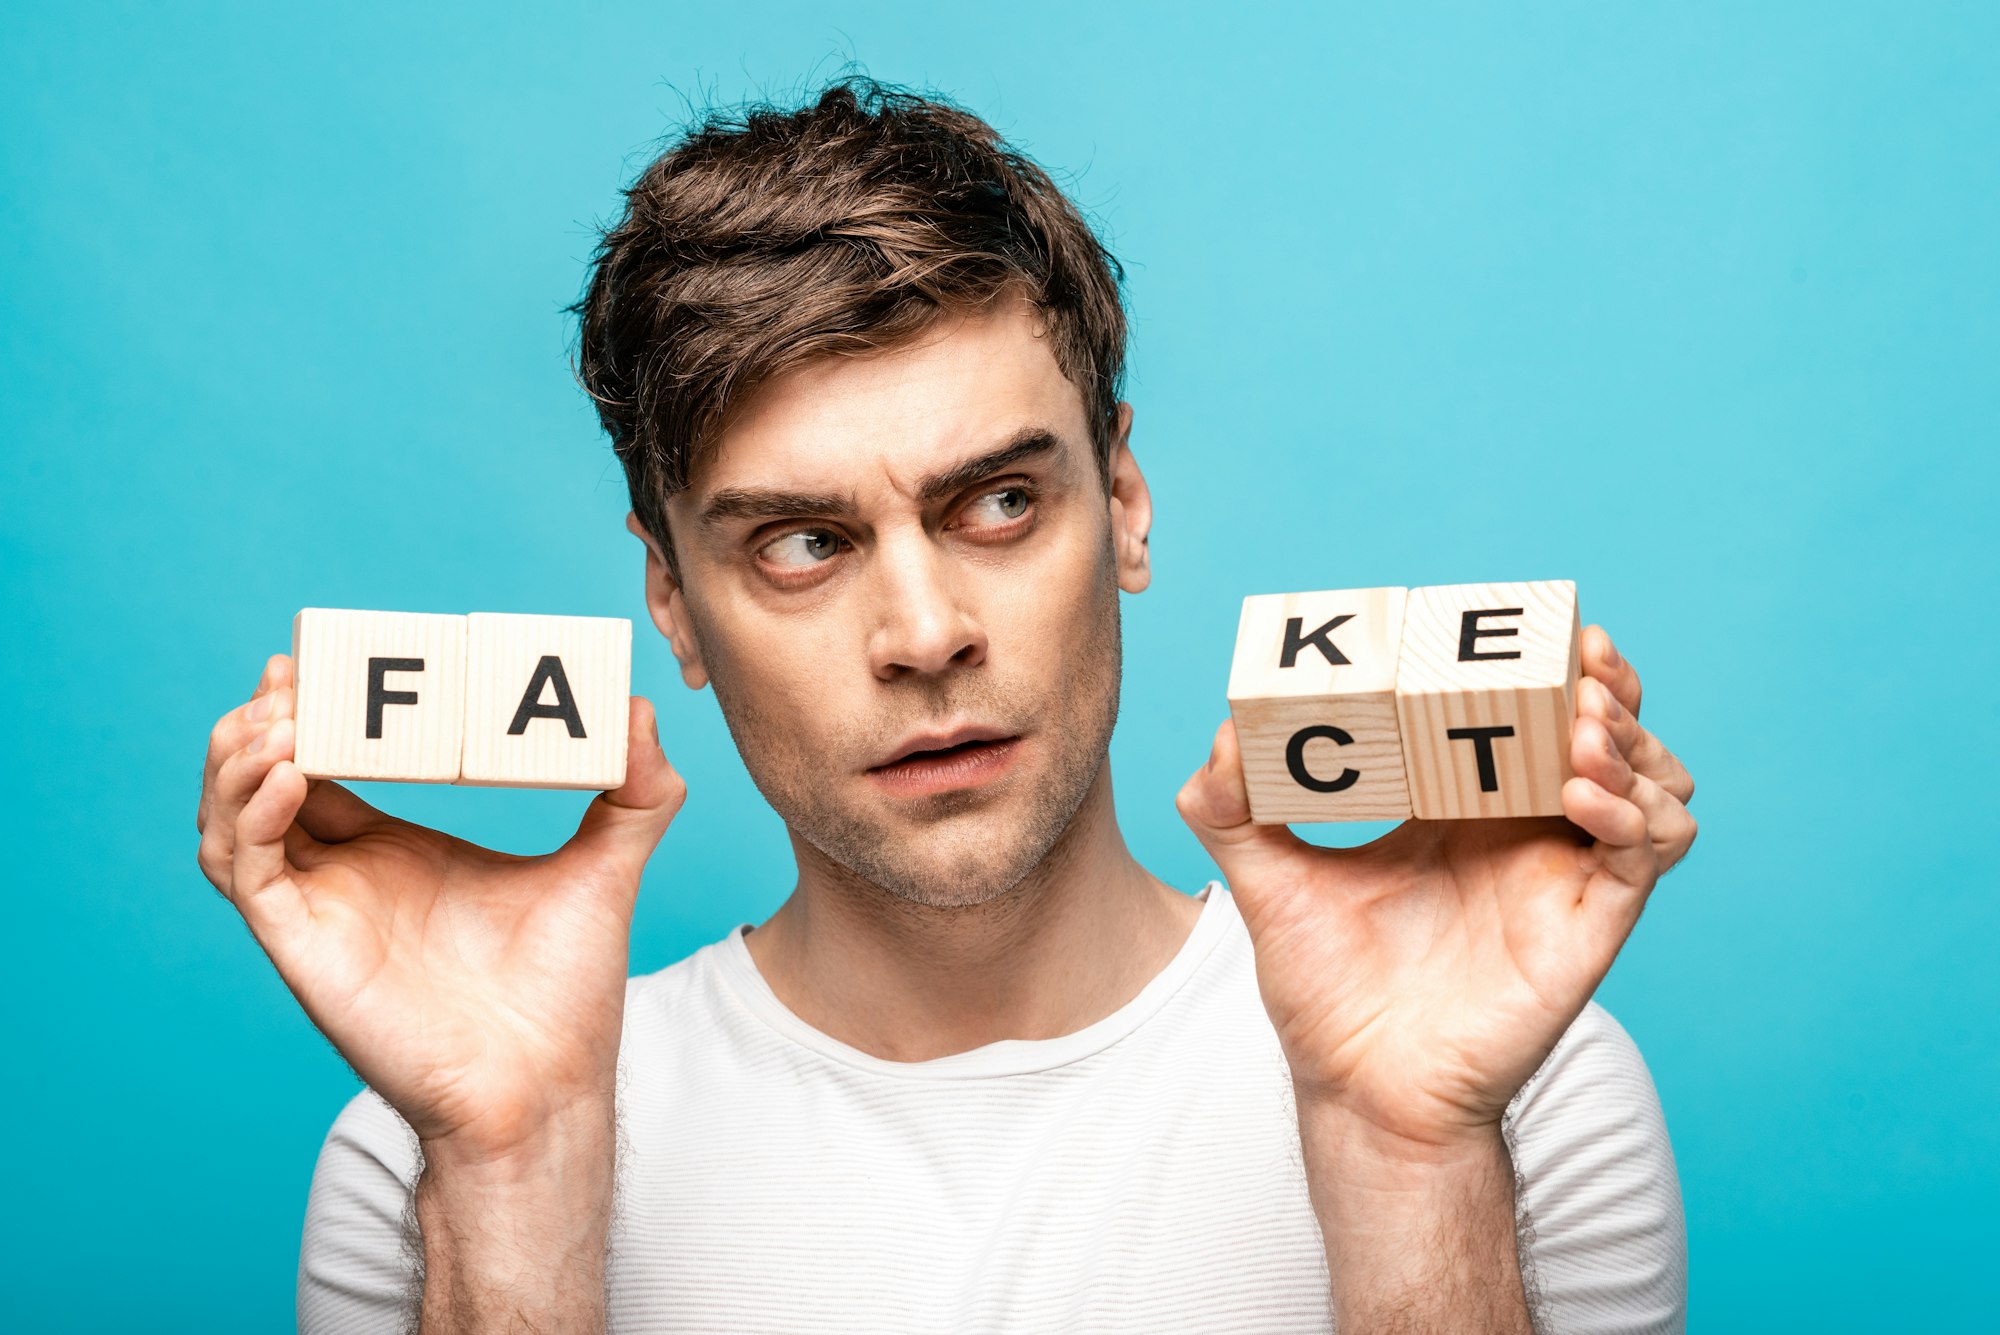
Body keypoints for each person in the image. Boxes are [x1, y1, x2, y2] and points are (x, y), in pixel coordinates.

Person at [195, 78, 1697, 1334]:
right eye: (801, 543)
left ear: (1123, 500)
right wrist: (514, 1167)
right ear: (673, 606)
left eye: (996, 502)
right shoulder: (440, 1142)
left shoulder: (1515, 1086)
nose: (923, 635)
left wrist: (1403, 1154)